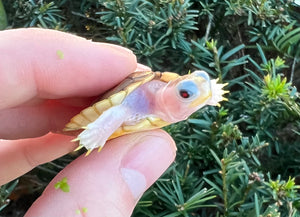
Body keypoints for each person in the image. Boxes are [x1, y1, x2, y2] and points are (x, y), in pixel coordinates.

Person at [0, 28, 176, 216]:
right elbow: (119, 109)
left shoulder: (167, 101)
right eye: (185, 94)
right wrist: (99, 131)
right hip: (109, 110)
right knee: (120, 111)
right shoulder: (147, 92)